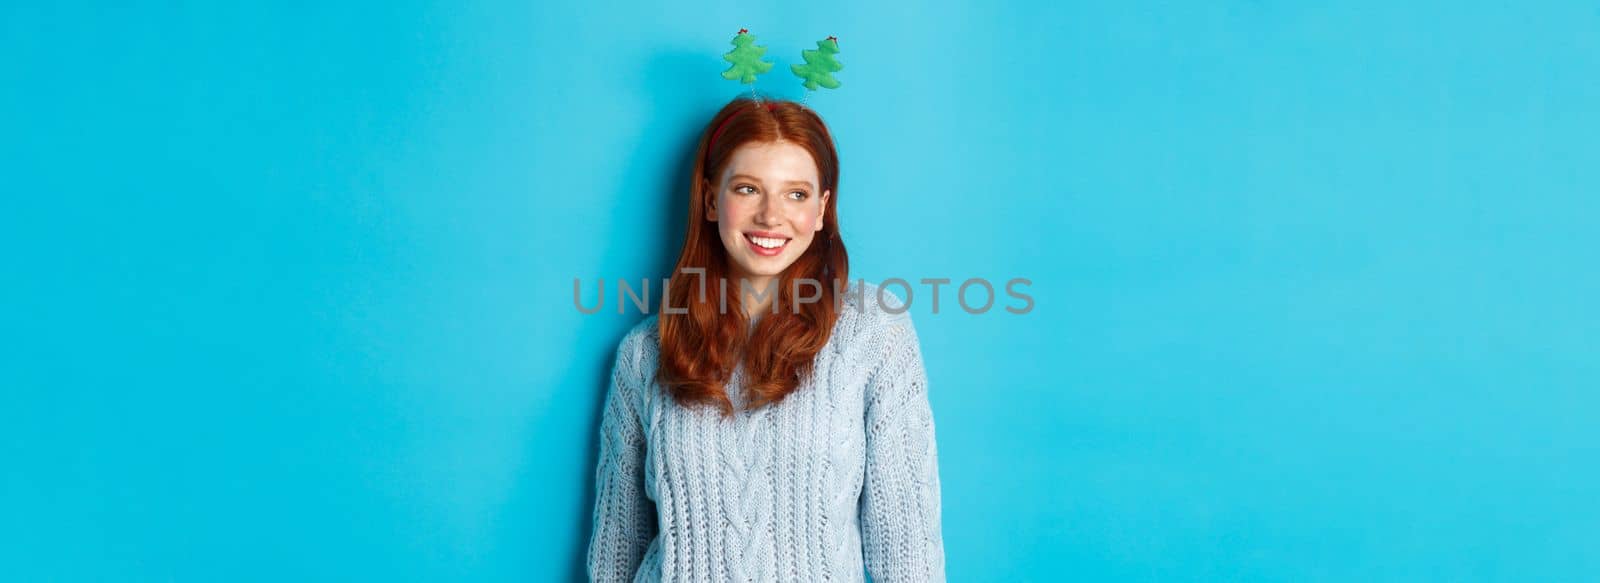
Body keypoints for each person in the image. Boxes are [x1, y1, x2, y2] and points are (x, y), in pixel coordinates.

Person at [586, 97, 945, 582]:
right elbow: (616, 549)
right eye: (749, 189)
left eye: (796, 194)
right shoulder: (644, 354)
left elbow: (906, 542)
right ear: (712, 199)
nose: (771, 216)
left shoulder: (875, 334)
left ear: (822, 209)